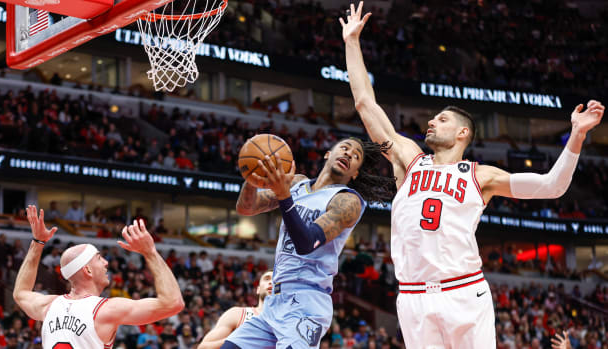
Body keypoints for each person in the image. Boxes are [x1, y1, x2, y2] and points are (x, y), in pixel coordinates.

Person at [340, 2, 605, 348]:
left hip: (463, 291)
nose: (432, 122)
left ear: (463, 134)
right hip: (413, 296)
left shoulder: (481, 176)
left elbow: (553, 186)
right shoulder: (409, 160)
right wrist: (351, 42)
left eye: (442, 120)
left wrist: (578, 136)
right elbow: (365, 103)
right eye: (433, 119)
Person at [221, 137, 395, 349]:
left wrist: (284, 196)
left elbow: (306, 243)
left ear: (355, 173)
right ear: (328, 154)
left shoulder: (347, 201)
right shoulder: (297, 183)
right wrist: (252, 177)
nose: (349, 154)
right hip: (274, 301)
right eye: (345, 148)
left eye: (356, 156)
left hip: (307, 303)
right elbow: (247, 208)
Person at [13, 205, 184, 349]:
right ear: (87, 270)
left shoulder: (48, 306)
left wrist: (37, 243)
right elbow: (173, 303)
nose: (106, 263)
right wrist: (150, 253)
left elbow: (20, 293)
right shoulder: (106, 310)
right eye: (99, 258)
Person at [199, 270, 273, 349]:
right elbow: (203, 347)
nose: (271, 282)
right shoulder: (238, 314)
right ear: (258, 289)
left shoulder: (286, 323)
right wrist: (237, 339)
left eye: (276, 280)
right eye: (267, 279)